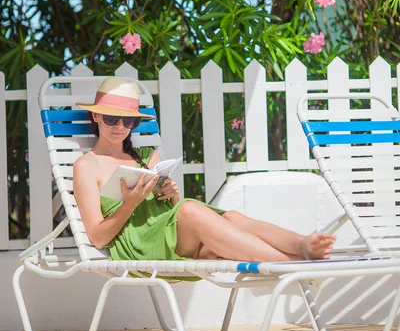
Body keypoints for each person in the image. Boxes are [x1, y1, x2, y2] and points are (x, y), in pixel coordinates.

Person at [73, 77, 335, 263]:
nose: (120, 125)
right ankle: (293, 264)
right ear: (95, 116)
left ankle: (301, 245)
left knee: (229, 216)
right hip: (139, 245)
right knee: (189, 209)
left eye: (127, 120)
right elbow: (97, 238)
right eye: (110, 118)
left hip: (170, 234)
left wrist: (171, 194)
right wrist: (130, 204)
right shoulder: (87, 166)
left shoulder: (147, 157)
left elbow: (171, 211)